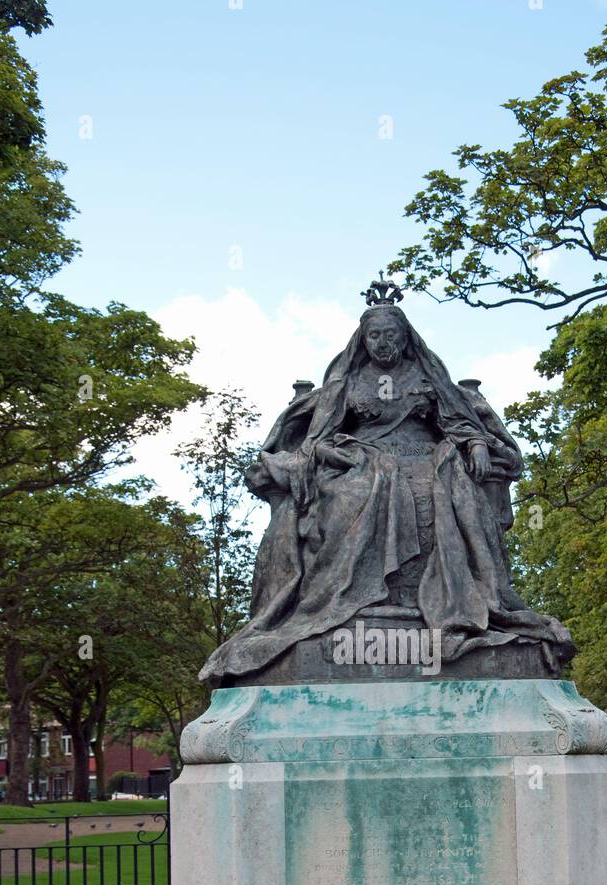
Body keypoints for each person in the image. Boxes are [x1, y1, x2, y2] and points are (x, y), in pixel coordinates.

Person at [199, 278, 575, 684]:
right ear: (364, 339)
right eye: (374, 335)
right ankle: (355, 598)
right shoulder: (348, 381)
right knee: (358, 491)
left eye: (389, 335)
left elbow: (456, 420)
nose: (381, 343)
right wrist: (327, 452)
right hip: (361, 457)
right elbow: (318, 438)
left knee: (448, 489)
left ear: (404, 337)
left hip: (426, 455)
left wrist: (477, 444)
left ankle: (461, 600)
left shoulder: (425, 375)